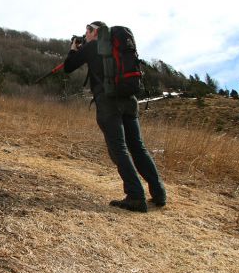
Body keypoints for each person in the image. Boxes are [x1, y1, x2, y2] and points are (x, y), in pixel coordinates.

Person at [63, 21, 166, 212]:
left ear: (94, 32)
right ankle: (159, 193)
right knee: (138, 147)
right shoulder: (120, 46)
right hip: (129, 100)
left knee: (118, 148)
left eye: (87, 31)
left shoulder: (92, 47)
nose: (85, 35)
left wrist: (73, 49)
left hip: (109, 103)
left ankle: (135, 196)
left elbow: (68, 67)